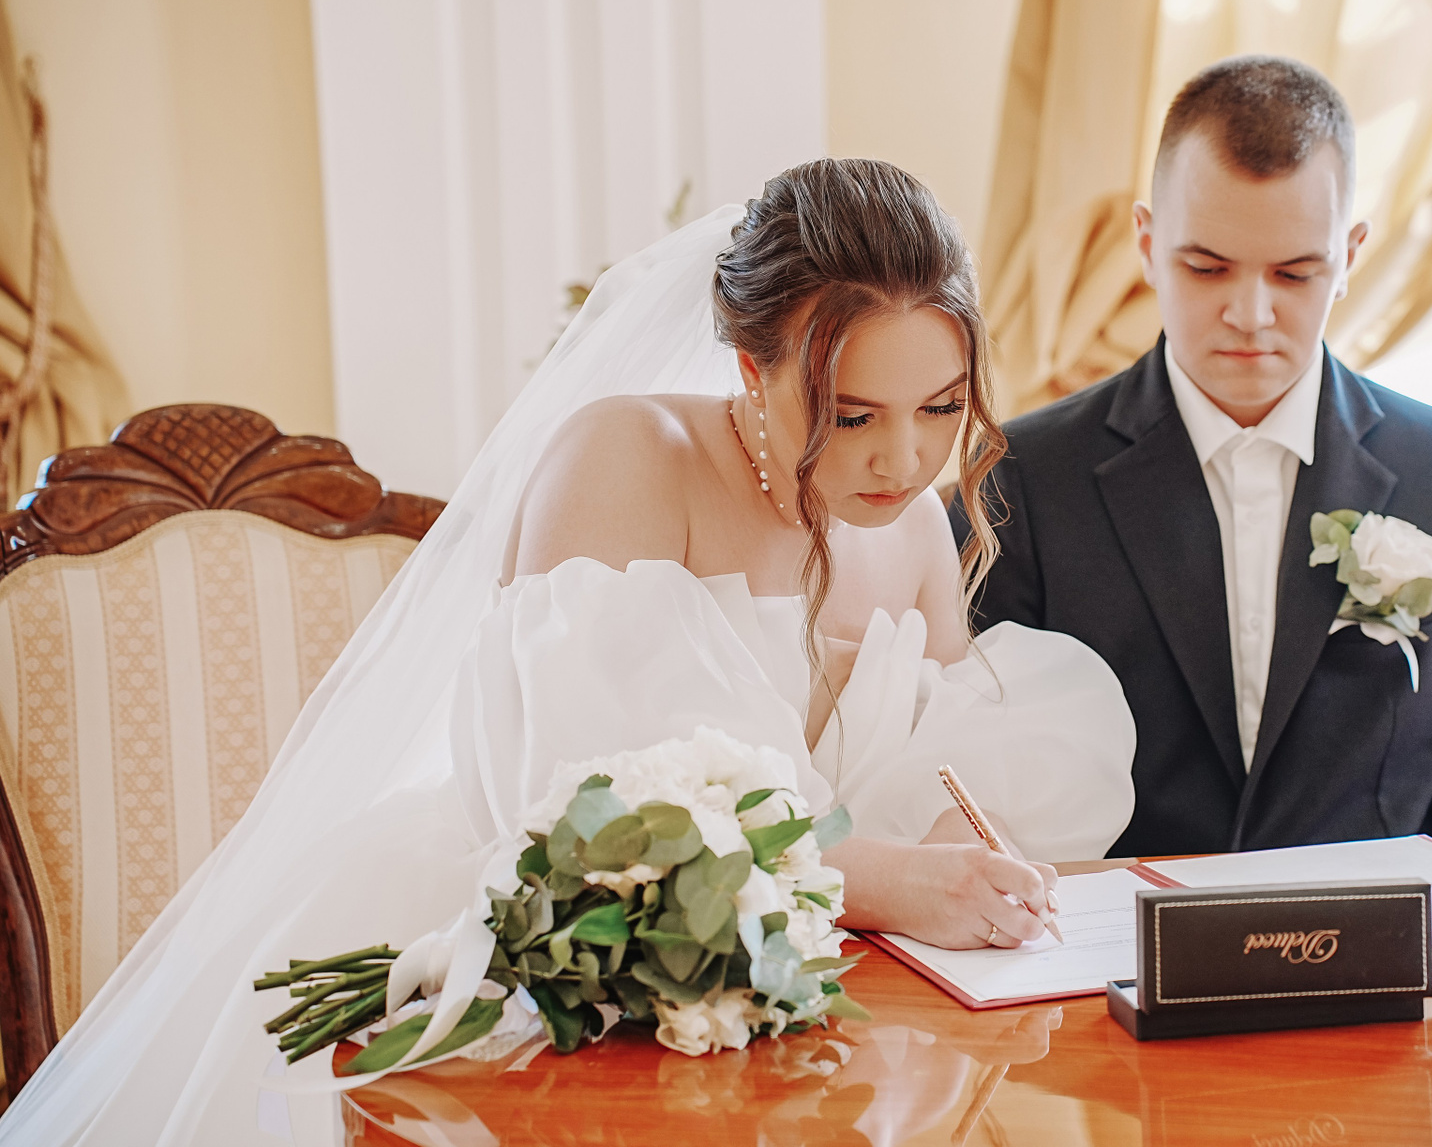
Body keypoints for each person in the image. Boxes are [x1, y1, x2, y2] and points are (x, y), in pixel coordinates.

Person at [0, 159, 1134, 1145]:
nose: (905, 458)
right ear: (751, 370)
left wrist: (959, 847)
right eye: (851, 414)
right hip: (538, 968)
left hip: (804, 1004)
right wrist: (895, 881)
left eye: (940, 407)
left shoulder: (917, 525)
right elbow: (606, 818)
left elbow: (937, 765)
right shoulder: (626, 458)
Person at [953, 56, 1432, 856]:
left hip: (1390, 937)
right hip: (1108, 935)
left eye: (1294, 273)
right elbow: (971, 801)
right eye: (1206, 267)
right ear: (1147, 244)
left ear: (1349, 256)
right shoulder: (1021, 480)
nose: (1250, 314)